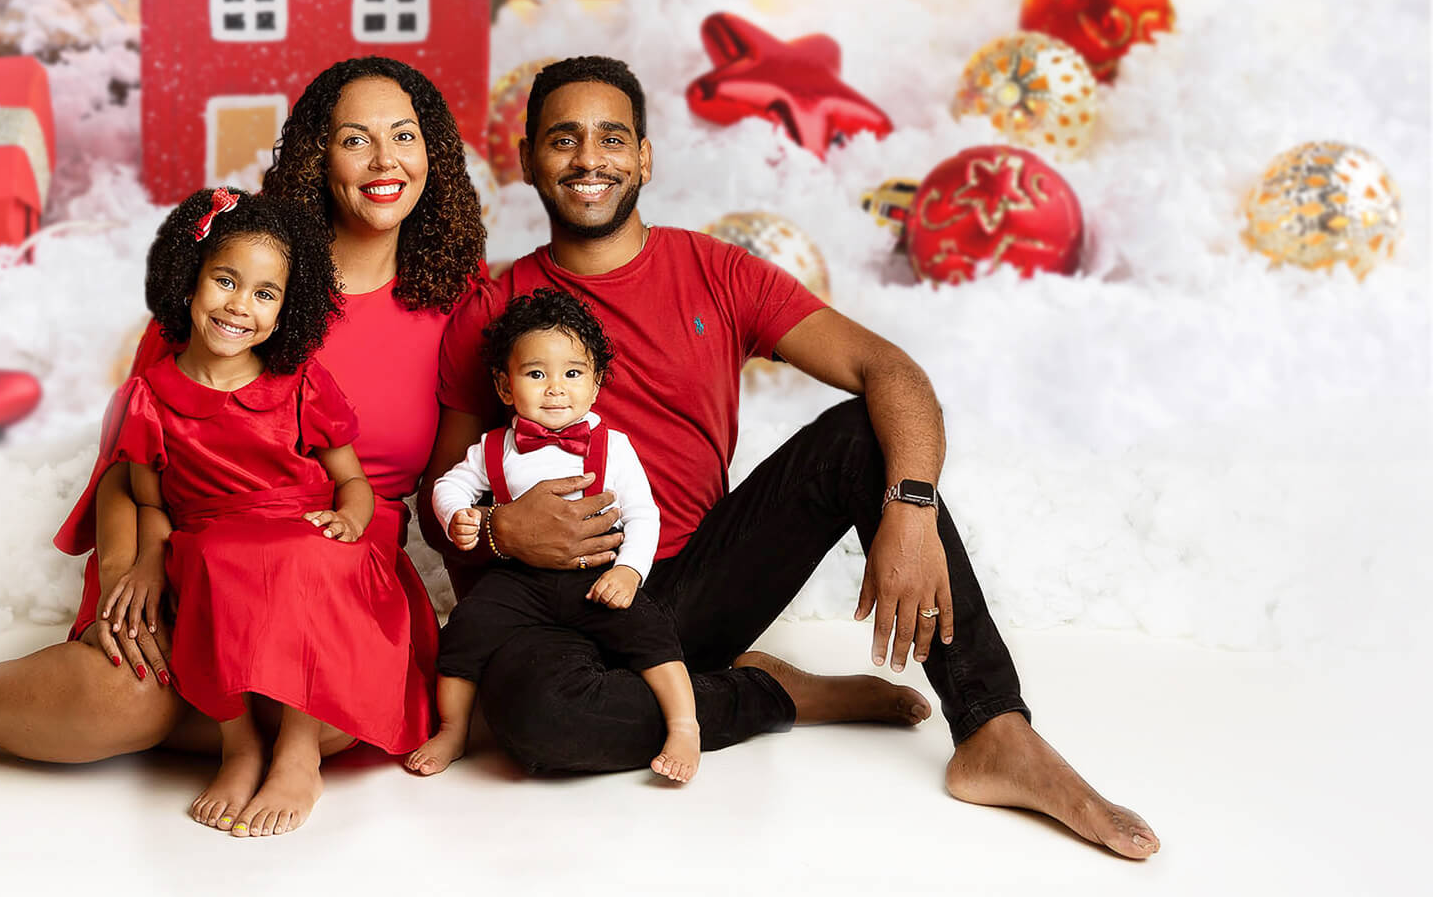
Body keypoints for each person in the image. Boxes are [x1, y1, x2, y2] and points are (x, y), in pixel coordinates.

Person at [420, 55, 1161, 860]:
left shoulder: (719, 272)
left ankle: (994, 729)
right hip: (550, 606)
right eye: (564, 139)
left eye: (611, 137)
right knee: (535, 726)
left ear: (644, 156)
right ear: (528, 157)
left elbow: (893, 373)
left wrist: (909, 506)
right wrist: (500, 538)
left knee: (858, 432)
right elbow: (442, 492)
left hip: (689, 587)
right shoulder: (493, 310)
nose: (588, 159)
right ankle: (770, 692)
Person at [0, 58, 481, 803]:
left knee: (333, 717)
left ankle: (31, 697)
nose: (384, 160)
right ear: (319, 153)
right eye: (355, 138)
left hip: (338, 570)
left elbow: (455, 486)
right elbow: (132, 454)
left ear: (433, 151)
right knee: (123, 699)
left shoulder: (458, 300)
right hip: (189, 549)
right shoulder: (242, 274)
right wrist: (128, 572)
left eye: (404, 135)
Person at [104, 187, 434, 837]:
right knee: (213, 559)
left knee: (297, 555)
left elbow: (352, 482)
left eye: (264, 293)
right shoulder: (150, 397)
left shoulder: (301, 381)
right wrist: (144, 561)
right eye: (226, 280)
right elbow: (149, 501)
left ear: (287, 308)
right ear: (189, 278)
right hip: (211, 534)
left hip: (307, 529)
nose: (239, 305)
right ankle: (240, 745)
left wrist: (352, 519)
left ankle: (298, 747)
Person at [408, 288, 698, 784]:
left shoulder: (613, 446)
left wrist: (629, 571)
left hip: (596, 572)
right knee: (465, 627)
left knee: (651, 630)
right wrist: (459, 512)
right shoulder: (494, 447)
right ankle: (454, 729)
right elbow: (448, 484)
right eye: (536, 374)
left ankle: (684, 725)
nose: (556, 389)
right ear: (504, 386)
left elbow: (644, 515)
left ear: (595, 383)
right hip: (519, 578)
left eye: (572, 373)